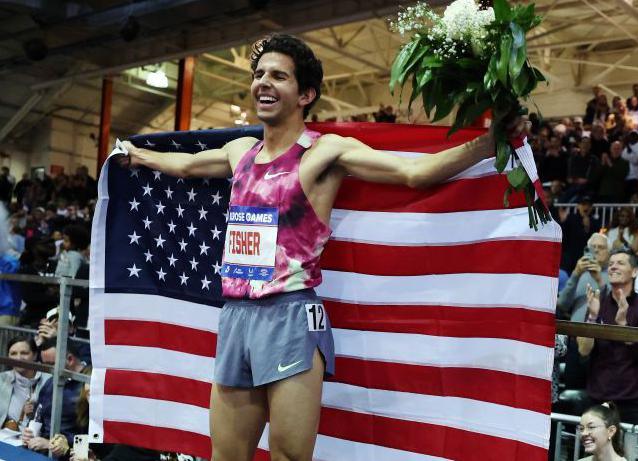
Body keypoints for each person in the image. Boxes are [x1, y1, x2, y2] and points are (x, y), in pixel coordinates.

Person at [119, 34, 527, 461]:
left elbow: (414, 173)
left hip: (290, 317)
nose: (263, 83)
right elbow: (184, 164)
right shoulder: (240, 152)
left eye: (278, 76)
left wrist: (489, 140)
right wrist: (139, 156)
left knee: (289, 457)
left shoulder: (323, 153)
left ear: (305, 94)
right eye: (259, 75)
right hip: (236, 317)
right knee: (225, 456)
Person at [577, 250, 638, 425]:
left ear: (635, 271)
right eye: (611, 264)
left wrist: (623, 325)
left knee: (634, 453)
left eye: (620, 263)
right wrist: (592, 317)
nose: (613, 267)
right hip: (598, 398)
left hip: (634, 401)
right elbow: (583, 350)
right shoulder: (597, 304)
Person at [23, 339, 89, 454]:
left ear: (70, 359)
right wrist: (30, 432)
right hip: (41, 448)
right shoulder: (50, 382)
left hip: (71, 453)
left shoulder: (89, 386)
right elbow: (38, 414)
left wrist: (52, 445)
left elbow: (89, 437)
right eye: (45, 365)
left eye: (52, 364)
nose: (49, 370)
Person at [0, 336, 50, 431]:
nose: (18, 358)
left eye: (24, 353)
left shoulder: (48, 380)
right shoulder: (1, 379)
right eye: (13, 353)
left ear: (35, 355)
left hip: (38, 438)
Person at [557, 234, 609, 322]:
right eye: (592, 247)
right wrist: (575, 274)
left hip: (600, 332)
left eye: (601, 247)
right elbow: (562, 305)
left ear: (609, 252)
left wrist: (599, 279)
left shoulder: (613, 275)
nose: (596, 250)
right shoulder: (581, 274)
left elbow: (613, 306)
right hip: (575, 332)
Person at [559, 196, 601, 272]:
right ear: (578, 206)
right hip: (571, 259)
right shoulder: (570, 219)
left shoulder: (595, 222)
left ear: (591, 207)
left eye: (589, 205)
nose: (586, 207)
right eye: (583, 204)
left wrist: (587, 228)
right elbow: (563, 237)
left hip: (587, 258)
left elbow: (594, 240)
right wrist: (562, 222)